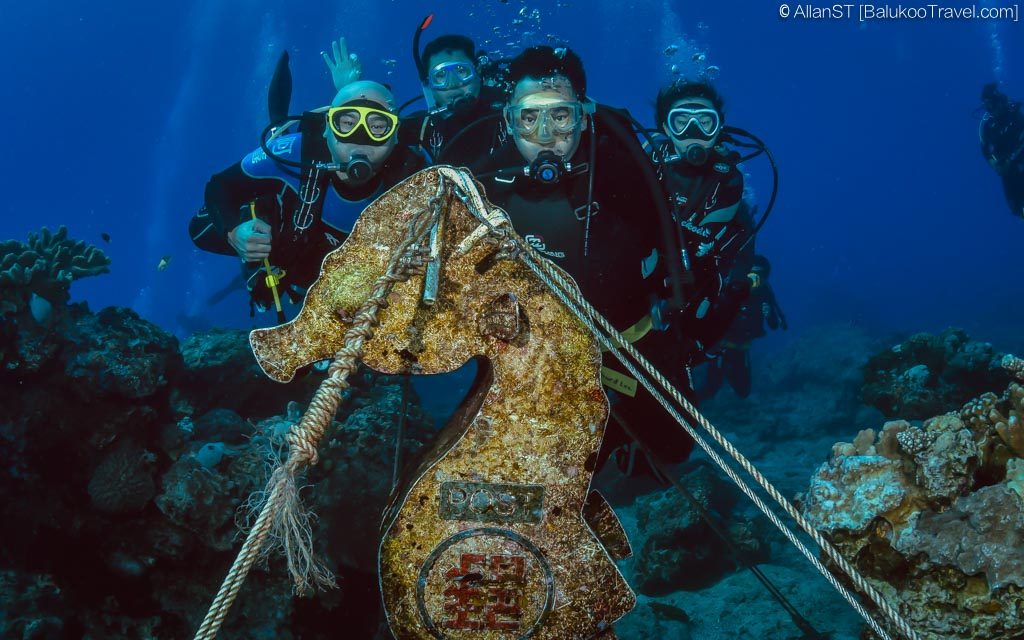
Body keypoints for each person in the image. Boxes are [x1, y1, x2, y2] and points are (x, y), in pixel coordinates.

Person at [449, 45, 706, 478]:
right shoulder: (485, 185)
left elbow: (672, 248)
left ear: (583, 117)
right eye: (529, 118)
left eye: (561, 116)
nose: (546, 135)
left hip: (626, 344)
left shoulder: (624, 172)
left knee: (674, 447)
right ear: (509, 121)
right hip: (534, 354)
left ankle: (617, 439)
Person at [189, 81, 426, 317]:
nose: (360, 137)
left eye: (377, 125)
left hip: (341, 272)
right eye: (346, 123)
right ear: (326, 128)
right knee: (203, 229)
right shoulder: (293, 150)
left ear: (396, 135)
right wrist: (232, 231)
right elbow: (219, 185)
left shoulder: (416, 179)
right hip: (288, 249)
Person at [697, 253, 786, 401]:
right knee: (710, 389)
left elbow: (774, 325)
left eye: (761, 275)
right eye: (753, 274)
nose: (756, 280)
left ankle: (727, 372)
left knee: (743, 391)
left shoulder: (765, 293)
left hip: (742, 348)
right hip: (721, 347)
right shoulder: (734, 287)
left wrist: (769, 314)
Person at [979, 83, 1024, 219]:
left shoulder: (1015, 113)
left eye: (993, 105)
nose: (991, 110)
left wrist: (1012, 158)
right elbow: (985, 149)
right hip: (1008, 170)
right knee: (1016, 207)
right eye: (987, 106)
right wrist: (994, 164)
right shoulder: (986, 124)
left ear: (999, 101)